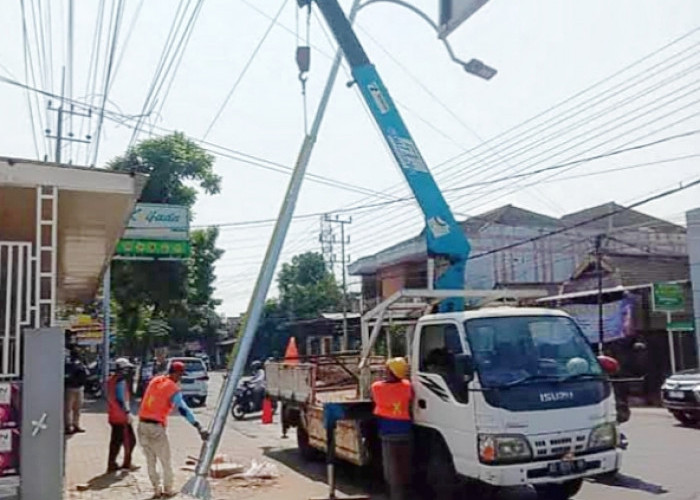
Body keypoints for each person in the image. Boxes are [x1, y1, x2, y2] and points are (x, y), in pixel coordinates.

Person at [138, 361, 209, 499]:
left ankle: (156, 490)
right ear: (176, 373)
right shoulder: (172, 388)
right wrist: (198, 425)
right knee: (165, 461)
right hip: (156, 428)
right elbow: (183, 409)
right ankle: (168, 490)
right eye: (180, 375)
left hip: (142, 425)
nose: (181, 378)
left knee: (150, 460)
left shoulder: (155, 380)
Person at [370, 357, 413, 500]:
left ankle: (396, 496)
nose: (384, 371)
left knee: (392, 471)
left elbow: (374, 398)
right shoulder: (407, 386)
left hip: (388, 433)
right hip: (405, 431)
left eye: (386, 369)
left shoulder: (377, 387)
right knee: (404, 467)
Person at [107, 357, 138, 473]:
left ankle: (112, 463)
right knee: (130, 441)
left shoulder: (111, 380)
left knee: (116, 441)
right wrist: (127, 413)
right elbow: (120, 399)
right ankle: (127, 463)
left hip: (113, 415)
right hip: (121, 417)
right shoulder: (120, 382)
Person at [64, 348, 89, 435]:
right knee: (69, 408)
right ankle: (68, 426)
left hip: (77, 387)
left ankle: (75, 425)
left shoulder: (80, 364)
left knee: (76, 408)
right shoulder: (69, 364)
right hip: (71, 388)